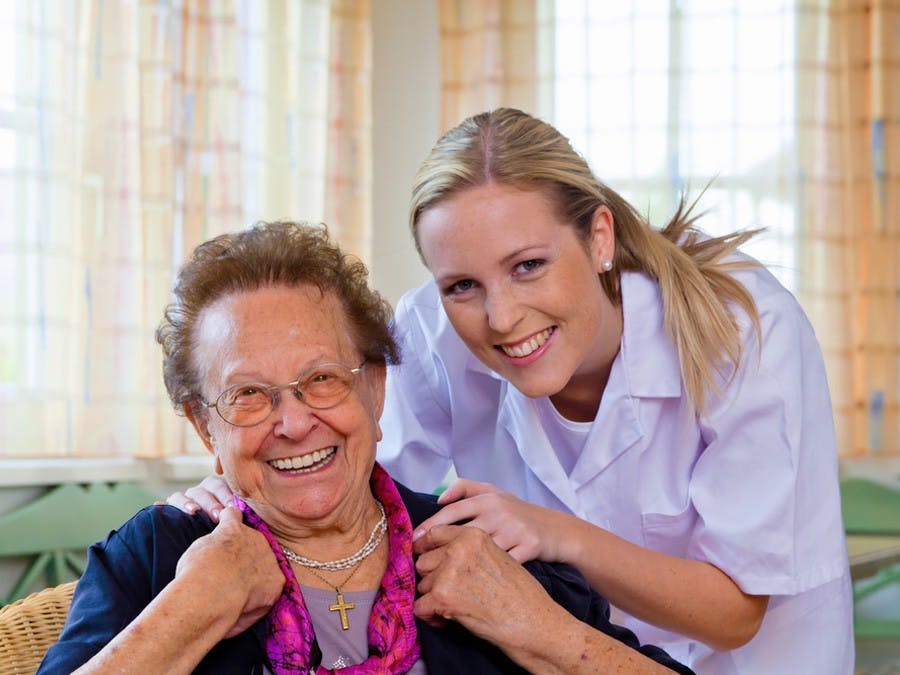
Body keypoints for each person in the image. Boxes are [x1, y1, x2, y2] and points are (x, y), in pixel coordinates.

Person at [170, 109, 854, 674]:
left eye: (528, 266)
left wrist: (553, 533)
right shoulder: (430, 333)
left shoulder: (743, 328)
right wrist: (232, 493)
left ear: (598, 236)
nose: (500, 317)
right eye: (461, 285)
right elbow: (356, 492)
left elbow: (735, 612)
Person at [40, 221, 692, 674]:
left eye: (321, 379)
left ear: (375, 390)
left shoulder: (477, 546)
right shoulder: (157, 560)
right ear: (205, 427)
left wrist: (536, 626)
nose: (293, 423)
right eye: (249, 395)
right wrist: (190, 611)